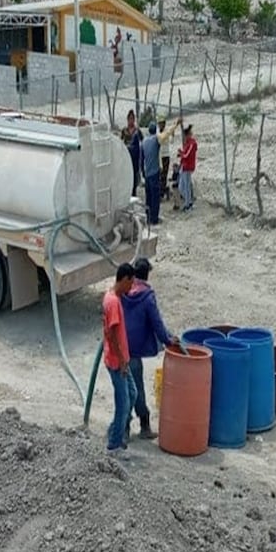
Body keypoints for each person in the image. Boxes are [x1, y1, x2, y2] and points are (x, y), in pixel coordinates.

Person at [121, 257, 178, 440]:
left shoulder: (122, 291)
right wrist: (169, 341)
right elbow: (157, 325)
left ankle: (126, 428)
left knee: (127, 386)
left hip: (120, 348)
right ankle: (135, 427)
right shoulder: (147, 297)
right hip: (135, 350)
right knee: (134, 387)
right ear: (147, 275)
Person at [103, 263, 136, 457]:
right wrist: (123, 361)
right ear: (124, 279)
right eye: (130, 284)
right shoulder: (114, 303)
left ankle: (115, 429)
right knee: (123, 402)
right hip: (117, 362)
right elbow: (114, 335)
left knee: (132, 394)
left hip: (118, 359)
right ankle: (114, 446)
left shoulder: (111, 296)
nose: (131, 288)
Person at [139, 116, 182, 225]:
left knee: (148, 197)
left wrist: (142, 173)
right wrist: (175, 124)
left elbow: (141, 159)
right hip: (154, 173)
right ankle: (154, 219)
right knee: (155, 197)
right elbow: (166, 134)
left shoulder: (144, 141)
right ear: (155, 130)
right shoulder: (156, 139)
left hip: (147, 173)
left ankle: (148, 218)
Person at [121, 109, 142, 198]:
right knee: (126, 176)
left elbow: (142, 143)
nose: (131, 121)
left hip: (135, 158)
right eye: (129, 119)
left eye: (132, 119)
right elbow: (120, 143)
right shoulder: (124, 130)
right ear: (127, 120)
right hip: (126, 157)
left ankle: (134, 192)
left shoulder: (137, 131)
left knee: (135, 176)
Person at [176, 125, 198, 212]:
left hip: (188, 167)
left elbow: (187, 155)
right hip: (184, 166)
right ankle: (188, 202)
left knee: (186, 186)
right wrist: (181, 153)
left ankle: (188, 204)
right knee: (182, 187)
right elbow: (185, 154)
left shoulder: (192, 143)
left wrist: (181, 154)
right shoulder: (188, 143)